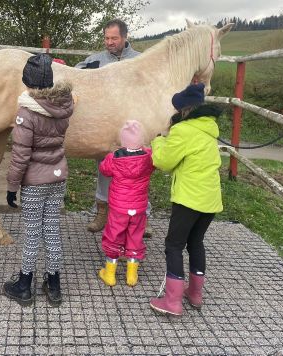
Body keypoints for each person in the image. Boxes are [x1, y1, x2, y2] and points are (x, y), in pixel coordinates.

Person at [3, 54, 74, 307]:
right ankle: (53, 285)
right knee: (52, 230)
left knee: (33, 233)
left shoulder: (27, 113)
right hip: (58, 177)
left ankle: (24, 285)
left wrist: (12, 186)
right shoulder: (63, 108)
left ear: (28, 82)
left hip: (34, 182)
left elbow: (20, 156)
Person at [149, 82, 223, 316]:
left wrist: (159, 140)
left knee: (173, 245)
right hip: (210, 199)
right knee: (196, 243)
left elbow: (163, 162)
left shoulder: (184, 131)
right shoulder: (209, 128)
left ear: (184, 109)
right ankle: (195, 294)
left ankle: (171, 302)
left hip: (189, 198)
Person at [75, 19, 154, 238]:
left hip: (136, 128)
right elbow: (74, 77)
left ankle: (142, 216)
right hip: (106, 126)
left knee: (139, 170)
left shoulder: (142, 61)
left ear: (125, 37)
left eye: (114, 38)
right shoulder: (94, 61)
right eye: (106, 38)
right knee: (105, 166)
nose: (109, 42)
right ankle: (102, 212)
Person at [97, 120, 154, 288]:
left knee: (114, 235)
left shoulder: (114, 157)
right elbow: (154, 164)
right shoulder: (148, 156)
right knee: (135, 236)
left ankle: (110, 274)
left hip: (118, 207)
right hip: (138, 208)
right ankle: (131, 274)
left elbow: (104, 170)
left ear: (122, 140)